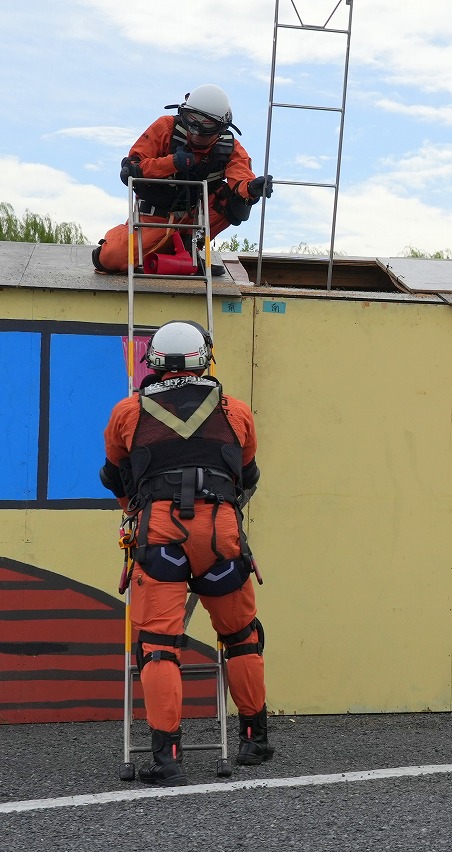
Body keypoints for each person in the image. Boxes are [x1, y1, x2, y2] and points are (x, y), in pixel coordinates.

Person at [100, 320, 270, 785]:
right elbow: (248, 477)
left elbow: (114, 476)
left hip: (159, 532)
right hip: (220, 532)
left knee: (158, 644)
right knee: (241, 635)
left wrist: (137, 509)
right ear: (204, 359)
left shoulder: (128, 411)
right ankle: (254, 739)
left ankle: (167, 758)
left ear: (153, 361)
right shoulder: (236, 411)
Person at [92, 85, 273, 274]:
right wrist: (172, 163)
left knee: (238, 201)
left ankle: (190, 250)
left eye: (206, 126)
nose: (195, 132)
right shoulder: (166, 127)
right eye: (192, 120)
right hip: (154, 218)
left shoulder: (230, 148)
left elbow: (241, 178)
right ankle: (150, 248)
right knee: (110, 258)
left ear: (220, 128)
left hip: (194, 220)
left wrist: (252, 189)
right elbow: (130, 170)